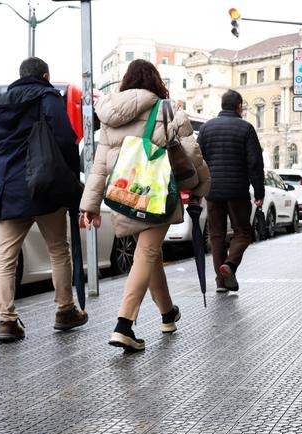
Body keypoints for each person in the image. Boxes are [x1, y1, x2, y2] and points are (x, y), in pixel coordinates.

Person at [79, 59, 210, 352]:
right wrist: (202, 186)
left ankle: (167, 313)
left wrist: (89, 205)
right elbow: (191, 151)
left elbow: (99, 166)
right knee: (148, 253)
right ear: (155, 81)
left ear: (126, 82)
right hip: (156, 196)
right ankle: (124, 324)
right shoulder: (165, 109)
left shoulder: (110, 115)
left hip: (124, 196)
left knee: (148, 256)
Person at [0, 57, 87, 343]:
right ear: (45, 75)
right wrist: (70, 177)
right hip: (45, 185)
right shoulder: (47, 96)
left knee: (5, 257)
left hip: (10, 189)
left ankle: (6, 321)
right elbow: (66, 138)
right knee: (58, 249)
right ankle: (64, 310)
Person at [196, 89, 265, 293]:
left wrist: (200, 188)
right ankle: (230, 266)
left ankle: (221, 281)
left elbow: (199, 160)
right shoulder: (246, 128)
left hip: (213, 191)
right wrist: (259, 192)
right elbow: (254, 163)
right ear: (239, 107)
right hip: (237, 191)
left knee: (216, 235)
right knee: (243, 232)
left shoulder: (206, 128)